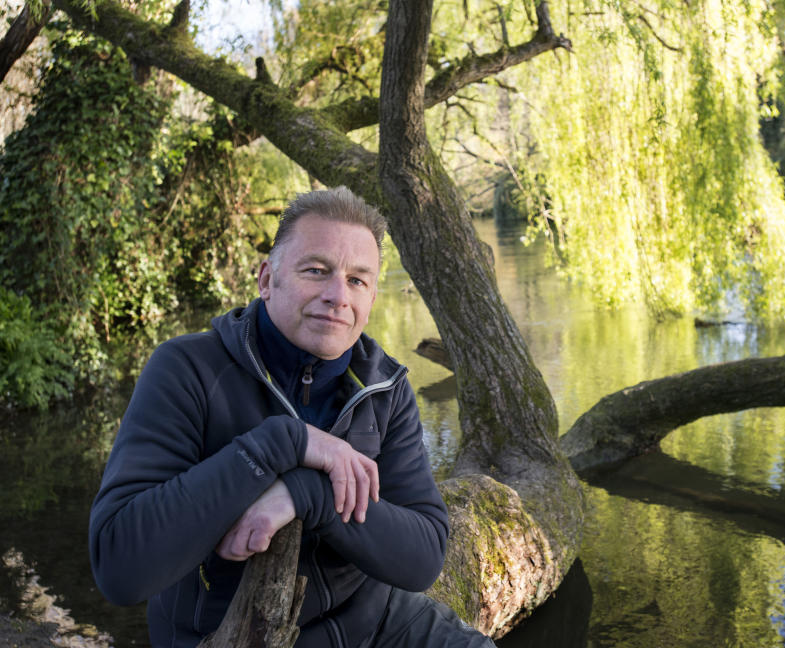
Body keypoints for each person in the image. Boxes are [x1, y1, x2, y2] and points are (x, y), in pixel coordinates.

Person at [88, 187, 494, 647]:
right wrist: (282, 444)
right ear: (266, 280)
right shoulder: (188, 370)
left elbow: (422, 559)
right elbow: (119, 567)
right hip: (229, 636)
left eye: (358, 280)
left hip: (377, 626)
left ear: (372, 297)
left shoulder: (385, 387)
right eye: (316, 271)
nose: (338, 296)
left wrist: (308, 492)